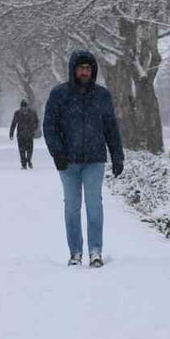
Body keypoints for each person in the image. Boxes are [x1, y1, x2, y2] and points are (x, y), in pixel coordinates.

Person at [43, 49, 124, 267]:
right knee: (72, 206)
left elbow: (111, 127)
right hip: (67, 161)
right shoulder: (59, 94)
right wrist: (57, 152)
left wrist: (117, 155)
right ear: (73, 70)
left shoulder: (102, 95)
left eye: (88, 68)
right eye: (81, 68)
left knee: (94, 204)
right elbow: (49, 126)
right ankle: (75, 252)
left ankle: (95, 250)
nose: (85, 72)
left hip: (95, 160)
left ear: (93, 70)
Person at [9, 100, 39, 169]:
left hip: (29, 134)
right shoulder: (17, 113)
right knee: (21, 150)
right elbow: (13, 123)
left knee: (30, 150)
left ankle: (29, 160)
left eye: (25, 107)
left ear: (27, 106)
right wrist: (11, 134)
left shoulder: (32, 112)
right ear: (21, 107)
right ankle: (23, 164)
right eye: (22, 107)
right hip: (20, 135)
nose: (24, 108)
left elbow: (36, 122)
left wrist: (33, 129)